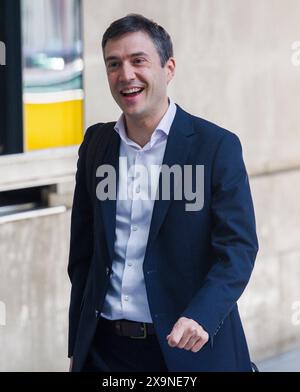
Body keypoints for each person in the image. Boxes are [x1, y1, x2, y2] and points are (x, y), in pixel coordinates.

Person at [67, 14, 258, 372]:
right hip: (105, 351)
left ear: (168, 68)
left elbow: (238, 249)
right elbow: (83, 257)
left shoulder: (214, 147)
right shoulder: (96, 144)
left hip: (186, 346)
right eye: (114, 64)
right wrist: (78, 345)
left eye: (138, 61)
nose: (126, 75)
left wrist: (201, 315)